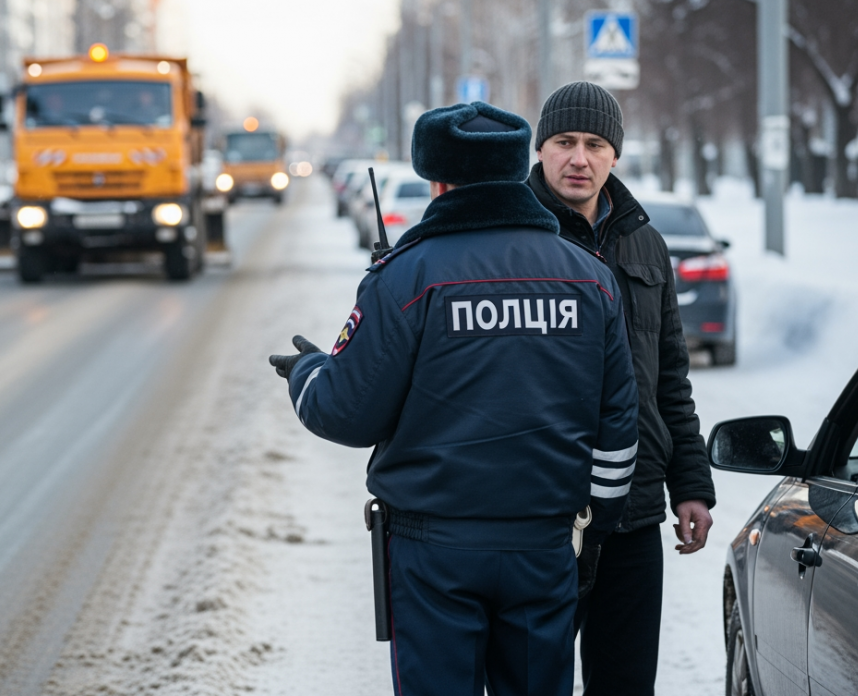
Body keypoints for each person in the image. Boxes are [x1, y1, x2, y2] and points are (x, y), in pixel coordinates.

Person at [268, 102, 639, 696]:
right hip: (544, 548)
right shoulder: (590, 277)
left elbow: (345, 411)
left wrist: (308, 371)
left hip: (431, 553)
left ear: (436, 180)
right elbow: (618, 427)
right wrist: (592, 530)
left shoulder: (409, 276)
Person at [527, 81, 717, 695]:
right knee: (533, 682)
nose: (578, 158)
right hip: (539, 514)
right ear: (541, 149)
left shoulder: (645, 243)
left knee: (626, 683)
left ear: (614, 156)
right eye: (564, 142)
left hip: (634, 513)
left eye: (594, 144)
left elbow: (670, 378)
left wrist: (690, 484)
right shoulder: (512, 239)